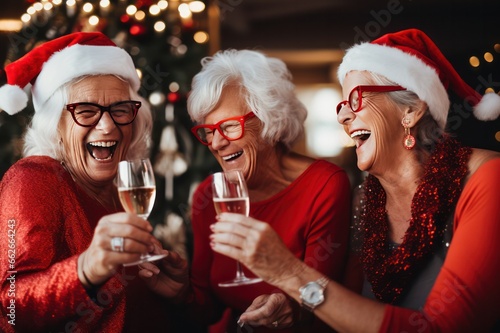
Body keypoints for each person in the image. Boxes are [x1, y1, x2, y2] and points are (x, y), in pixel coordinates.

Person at [207, 29, 500, 332]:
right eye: (342, 104)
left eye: (356, 98)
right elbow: (344, 309)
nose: (343, 116)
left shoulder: (489, 179)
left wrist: (290, 273)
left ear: (411, 110)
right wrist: (294, 307)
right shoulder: (364, 203)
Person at [141, 49, 352, 332]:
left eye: (229, 126)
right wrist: (182, 292)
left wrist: (295, 308)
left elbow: (323, 301)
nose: (216, 143)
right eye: (209, 130)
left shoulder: (324, 185)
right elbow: (207, 310)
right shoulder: (209, 194)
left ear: (270, 122)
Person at [0, 32, 177, 332]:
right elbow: (12, 307)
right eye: (85, 111)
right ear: (55, 124)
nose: (107, 126)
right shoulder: (33, 178)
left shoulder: (123, 187)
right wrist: (86, 269)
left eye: (120, 109)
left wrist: (180, 296)